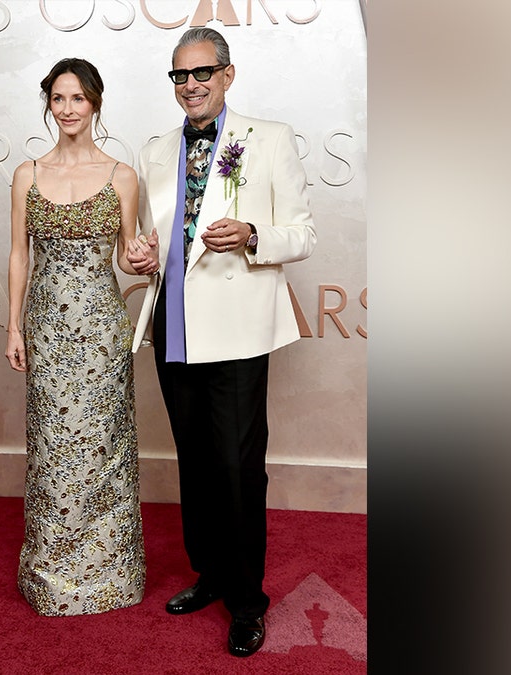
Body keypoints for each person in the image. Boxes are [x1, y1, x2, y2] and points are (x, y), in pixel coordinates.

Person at [130, 28, 317, 656]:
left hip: (236, 330)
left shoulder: (270, 138)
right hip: (173, 325)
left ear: (228, 75)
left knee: (238, 469)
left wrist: (254, 234)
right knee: (196, 461)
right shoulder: (155, 151)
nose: (190, 85)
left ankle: (247, 600)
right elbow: (146, 242)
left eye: (202, 72)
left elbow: (303, 233)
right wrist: (135, 257)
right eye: (179, 76)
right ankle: (209, 574)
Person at [4, 57, 160, 616]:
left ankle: (108, 577)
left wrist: (142, 257)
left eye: (79, 99)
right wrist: (14, 325)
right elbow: (20, 254)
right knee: (52, 452)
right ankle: (50, 576)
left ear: (95, 103)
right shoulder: (27, 173)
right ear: (49, 104)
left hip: (100, 334)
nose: (68, 110)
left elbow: (125, 254)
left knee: (102, 451)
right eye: (58, 99)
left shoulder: (122, 176)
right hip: (47, 332)